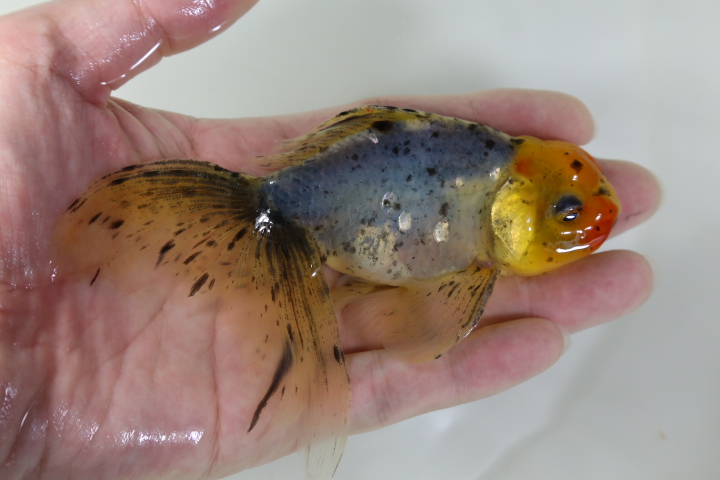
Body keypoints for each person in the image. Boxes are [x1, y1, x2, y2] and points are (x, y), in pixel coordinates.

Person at [0, 0, 659, 478]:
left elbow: (420, 328)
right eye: (564, 214)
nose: (585, 225)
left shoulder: (485, 222)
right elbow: (423, 329)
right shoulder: (481, 210)